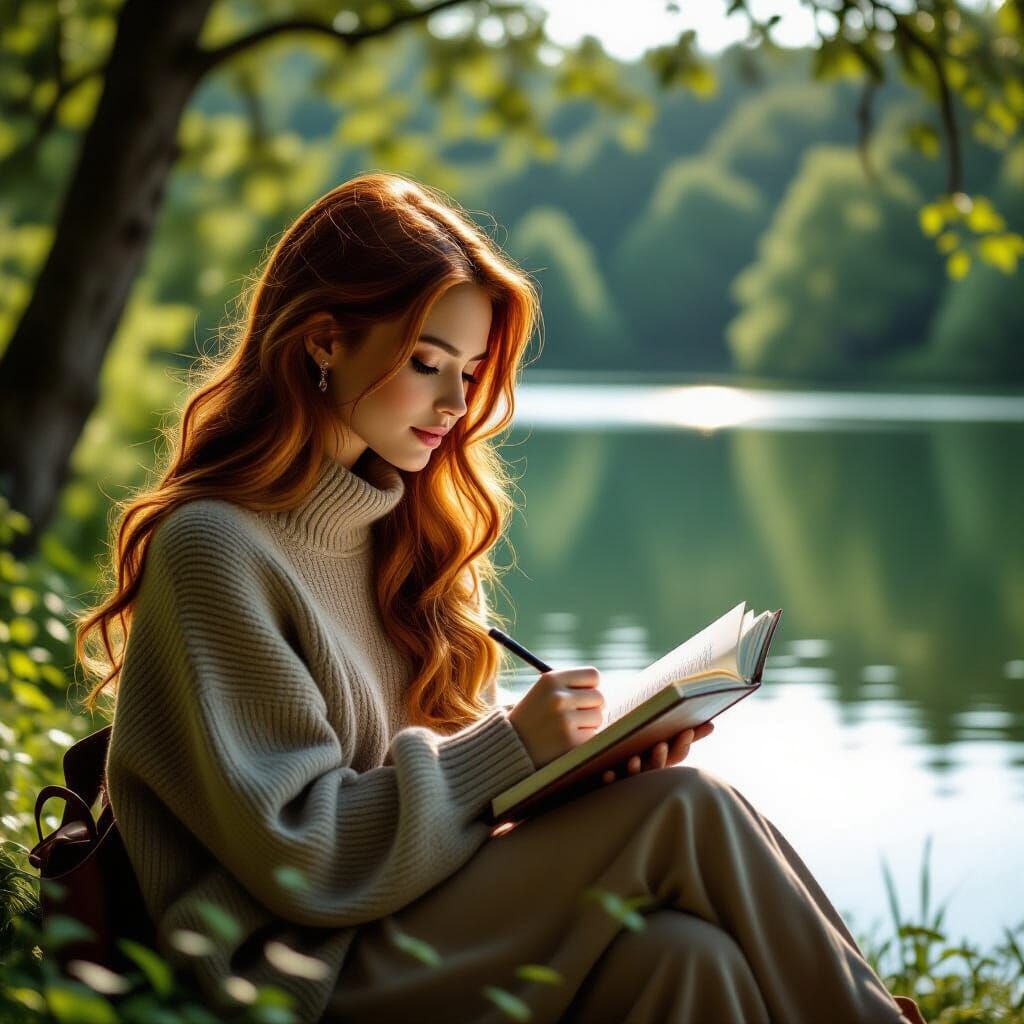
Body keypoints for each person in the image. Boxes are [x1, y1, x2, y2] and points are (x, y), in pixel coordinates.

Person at [76, 172, 924, 1024]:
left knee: (683, 959)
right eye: (426, 362)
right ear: (324, 342)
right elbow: (306, 857)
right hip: (294, 973)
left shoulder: (404, 538)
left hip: (405, 921)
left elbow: (453, 818)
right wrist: (511, 746)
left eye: (471, 371)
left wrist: (572, 781)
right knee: (688, 810)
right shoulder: (217, 549)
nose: (455, 404)